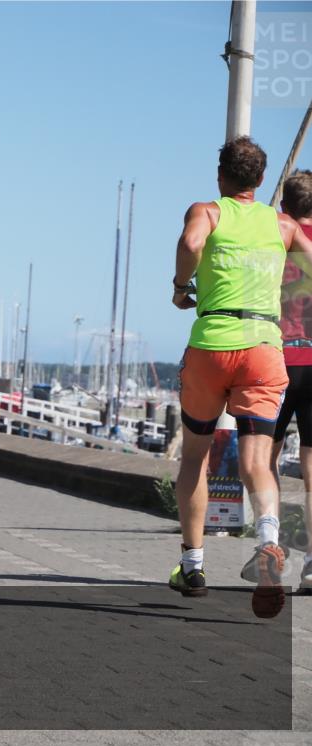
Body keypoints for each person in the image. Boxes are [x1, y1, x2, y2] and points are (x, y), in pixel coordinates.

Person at [168, 137, 312, 610]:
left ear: (221, 176)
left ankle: (192, 566)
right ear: (261, 181)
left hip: (213, 340)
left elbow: (191, 243)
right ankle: (268, 540)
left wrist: (180, 286)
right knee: (257, 460)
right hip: (264, 348)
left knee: (195, 456)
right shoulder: (283, 225)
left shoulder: (208, 212)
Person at [271, 169, 312, 590]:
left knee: (266, 463)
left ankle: (273, 546)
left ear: (284, 206)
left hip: (278, 360)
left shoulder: (273, 240)